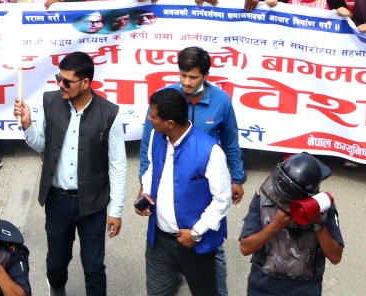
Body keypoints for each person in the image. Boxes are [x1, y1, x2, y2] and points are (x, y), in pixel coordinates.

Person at [15, 49, 126, 296]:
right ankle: (57, 289)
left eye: (67, 81)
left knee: (94, 266)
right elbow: (41, 145)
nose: (60, 85)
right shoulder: (50, 102)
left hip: (93, 205)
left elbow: (118, 164)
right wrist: (27, 125)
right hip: (57, 200)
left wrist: (116, 210)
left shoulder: (110, 113)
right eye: (58, 78)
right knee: (56, 262)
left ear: (86, 83)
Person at [136, 87, 232, 296]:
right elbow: (151, 168)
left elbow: (222, 200)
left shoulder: (210, 151)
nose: (149, 119)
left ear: (169, 123)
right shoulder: (156, 136)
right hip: (159, 241)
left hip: (195, 244)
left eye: (153, 115)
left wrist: (196, 233)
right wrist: (146, 191)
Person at [237, 152, 344, 296]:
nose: (280, 199)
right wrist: (275, 225)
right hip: (263, 286)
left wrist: (317, 224)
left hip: (305, 289)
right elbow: (245, 247)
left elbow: (335, 257)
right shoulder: (262, 199)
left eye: (286, 198)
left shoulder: (323, 208)